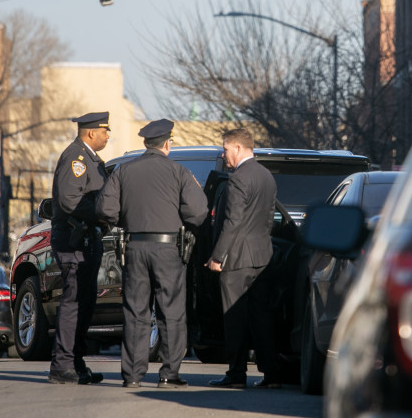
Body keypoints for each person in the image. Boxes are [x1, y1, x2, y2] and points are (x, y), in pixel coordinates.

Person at [96, 119, 208, 389]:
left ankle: (133, 375)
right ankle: (169, 374)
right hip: (169, 248)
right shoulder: (180, 172)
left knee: (136, 311)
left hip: (134, 246)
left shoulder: (123, 171)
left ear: (146, 143)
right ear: (168, 143)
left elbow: (105, 210)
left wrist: (126, 221)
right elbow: (198, 212)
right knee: (171, 311)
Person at [206, 128, 281, 389]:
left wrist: (217, 256)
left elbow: (232, 221)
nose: (224, 155)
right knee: (262, 316)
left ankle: (236, 374)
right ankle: (271, 374)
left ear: (238, 148)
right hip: (262, 256)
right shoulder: (266, 176)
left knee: (234, 316)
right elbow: (268, 220)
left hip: (237, 259)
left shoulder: (238, 178)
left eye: (225, 149)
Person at [48, 111, 111, 384]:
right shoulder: (76, 158)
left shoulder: (92, 161)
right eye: (105, 131)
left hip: (88, 240)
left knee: (85, 303)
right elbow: (70, 199)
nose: (108, 136)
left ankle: (76, 361)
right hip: (74, 241)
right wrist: (99, 213)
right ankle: (62, 365)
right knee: (73, 303)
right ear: (90, 133)